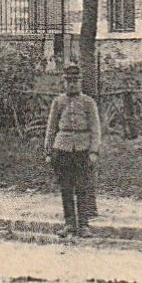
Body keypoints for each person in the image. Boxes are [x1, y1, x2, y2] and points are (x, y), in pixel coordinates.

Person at [44, 62, 102, 238]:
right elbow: (51, 126)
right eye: (69, 81)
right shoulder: (58, 102)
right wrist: (48, 151)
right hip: (62, 148)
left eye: (75, 81)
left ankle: (83, 224)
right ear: (64, 82)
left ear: (80, 82)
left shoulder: (88, 102)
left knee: (82, 187)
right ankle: (69, 224)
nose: (72, 84)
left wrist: (93, 151)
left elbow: (96, 128)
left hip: (83, 148)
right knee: (66, 187)